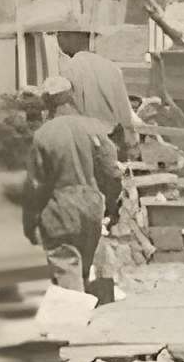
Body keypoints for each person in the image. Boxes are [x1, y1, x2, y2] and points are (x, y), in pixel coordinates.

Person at [20, 84, 122, 304]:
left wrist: (30, 221)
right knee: (88, 263)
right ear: (72, 98)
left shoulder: (44, 135)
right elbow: (112, 172)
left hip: (60, 208)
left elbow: (36, 184)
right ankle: (98, 313)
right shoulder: (94, 128)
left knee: (66, 263)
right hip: (93, 206)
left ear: (47, 104)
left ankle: (74, 326)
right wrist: (112, 206)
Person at [55, 30, 137, 153]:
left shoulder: (69, 68)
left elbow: (67, 112)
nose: (58, 41)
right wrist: (132, 144)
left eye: (60, 35)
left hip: (87, 141)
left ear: (72, 36)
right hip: (113, 139)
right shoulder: (112, 67)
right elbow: (125, 112)